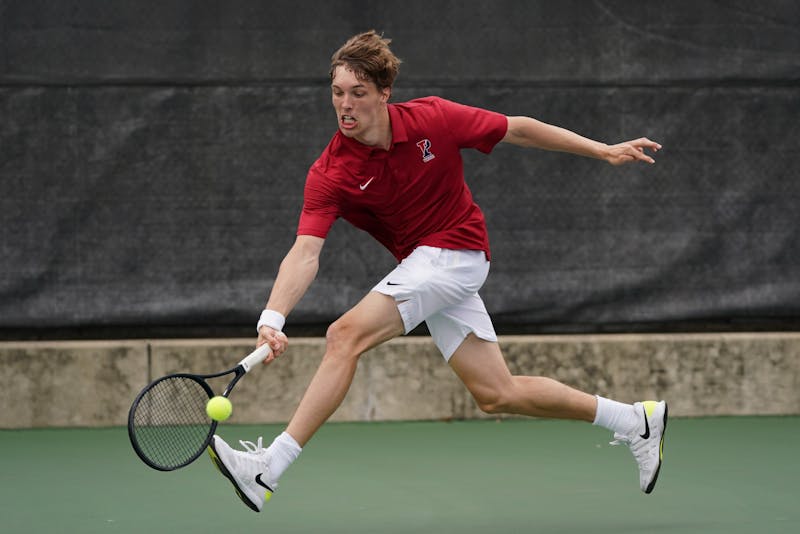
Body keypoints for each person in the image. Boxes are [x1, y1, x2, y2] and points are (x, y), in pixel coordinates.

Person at [207, 30, 667, 513]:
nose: (346, 105)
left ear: (384, 93)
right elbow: (305, 251)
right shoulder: (330, 172)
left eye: (358, 93)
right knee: (496, 393)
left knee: (344, 336)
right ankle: (636, 419)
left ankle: (268, 469)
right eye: (338, 93)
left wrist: (601, 150)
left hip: (458, 251)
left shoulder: (434, 118)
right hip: (427, 266)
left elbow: (518, 128)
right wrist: (273, 317)